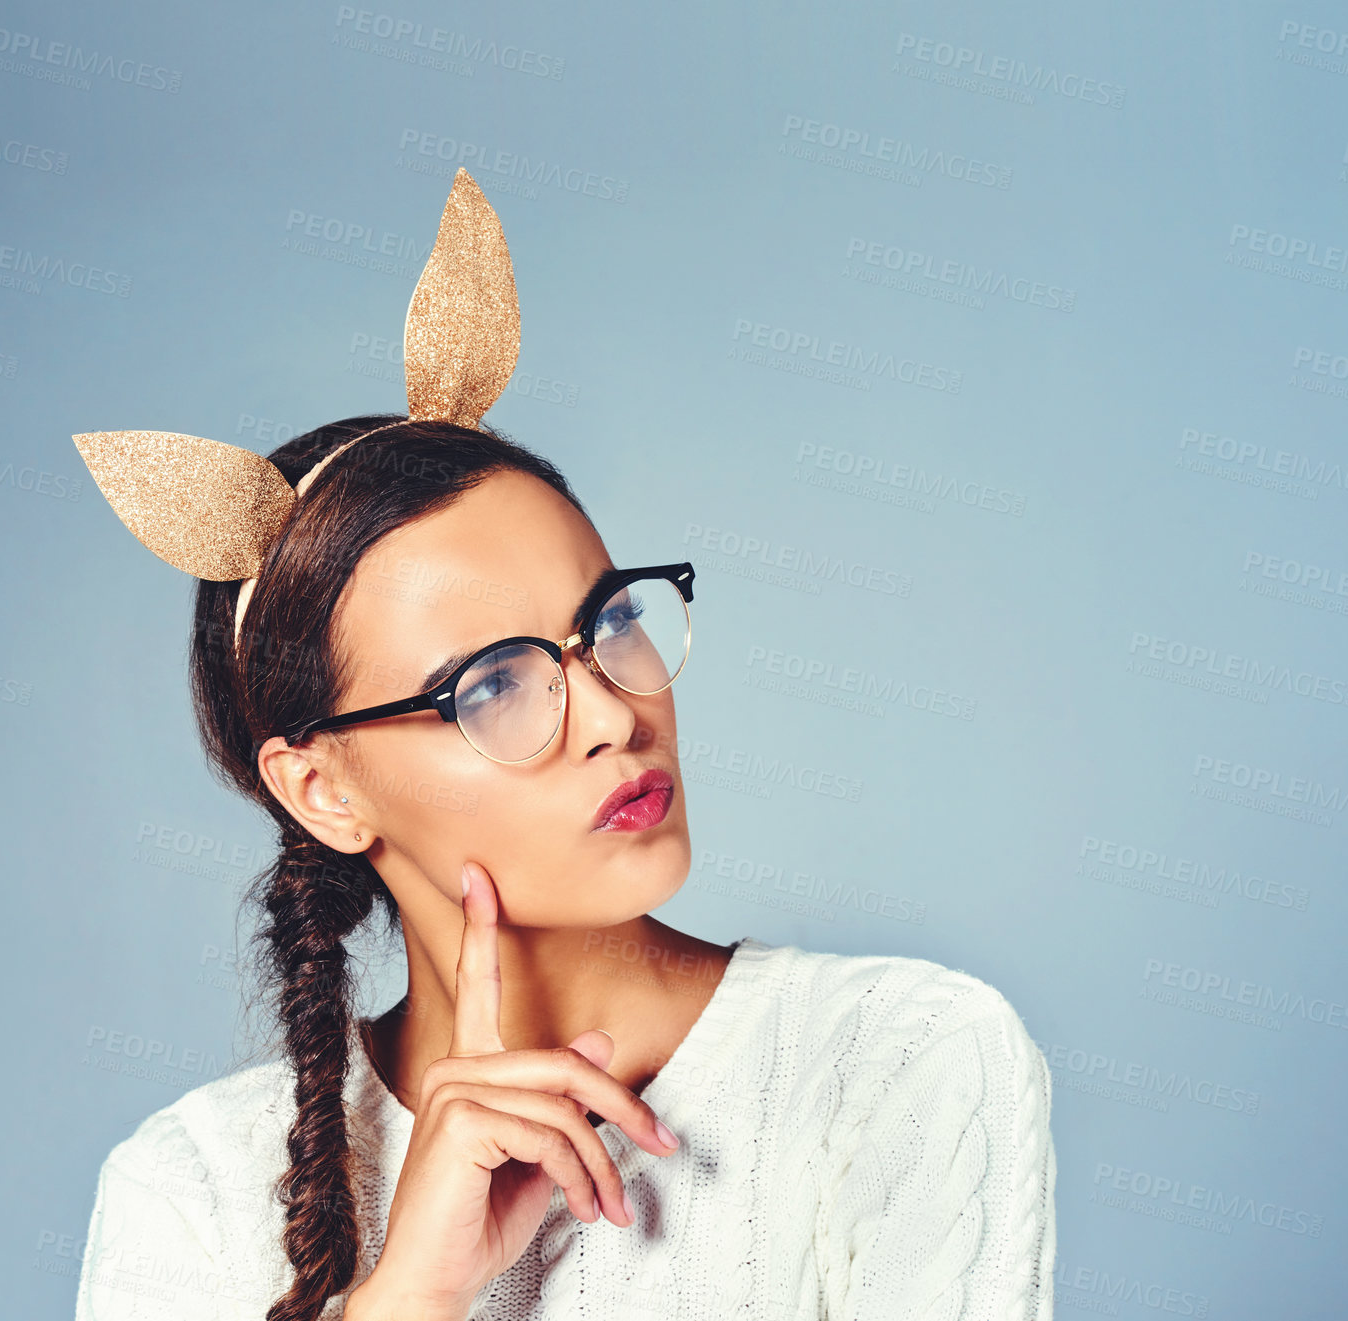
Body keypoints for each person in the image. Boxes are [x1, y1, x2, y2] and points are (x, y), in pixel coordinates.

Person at [72, 171, 1057, 1321]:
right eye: (493, 683)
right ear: (325, 789)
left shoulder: (898, 1060)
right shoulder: (190, 1191)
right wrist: (411, 1298)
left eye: (610, 623)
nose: (615, 711)